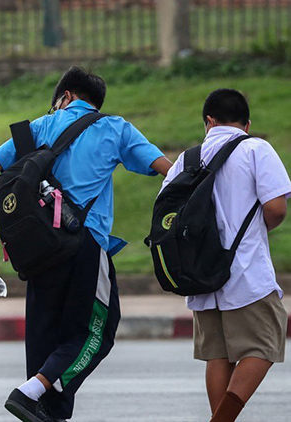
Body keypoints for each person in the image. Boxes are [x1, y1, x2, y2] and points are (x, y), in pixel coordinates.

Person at [0, 66, 172, 422]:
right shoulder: (115, 127)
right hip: (84, 244)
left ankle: (44, 409)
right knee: (97, 330)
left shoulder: (36, 128)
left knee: (44, 336)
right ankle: (29, 392)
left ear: (65, 97)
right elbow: (165, 169)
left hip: (37, 250)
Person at [159, 88, 289, 422]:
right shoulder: (255, 148)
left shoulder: (187, 160)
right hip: (245, 272)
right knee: (263, 345)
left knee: (218, 356)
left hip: (200, 275)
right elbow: (276, 207)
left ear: (209, 121)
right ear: (247, 124)